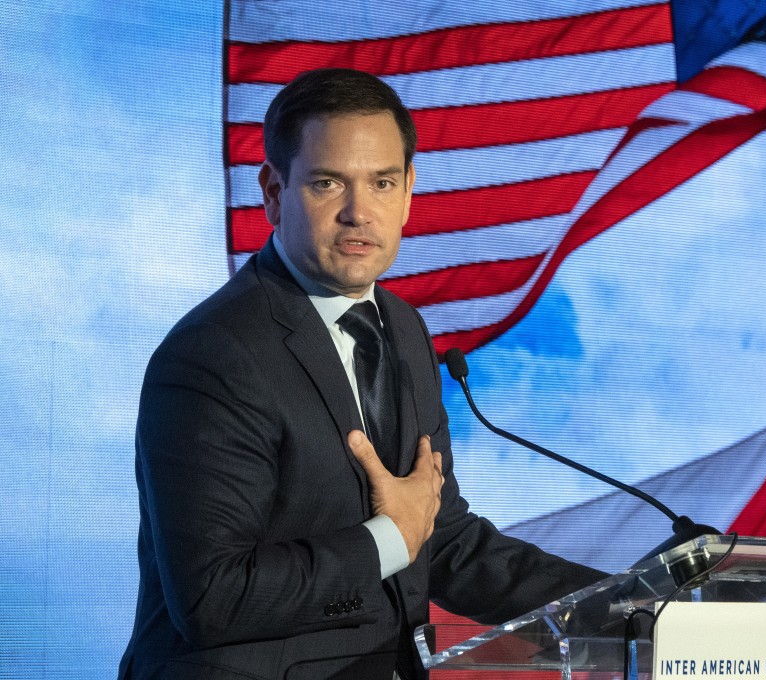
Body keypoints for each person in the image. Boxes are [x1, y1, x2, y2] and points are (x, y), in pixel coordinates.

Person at [118, 68, 604, 680]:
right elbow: (213, 597)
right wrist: (388, 540)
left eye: (381, 182)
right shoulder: (215, 354)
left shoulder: (402, 328)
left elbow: (441, 537)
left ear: (407, 194)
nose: (358, 212)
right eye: (327, 183)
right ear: (273, 191)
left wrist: (629, 609)